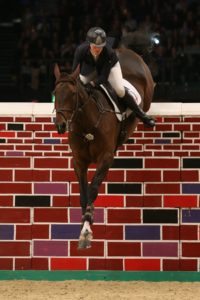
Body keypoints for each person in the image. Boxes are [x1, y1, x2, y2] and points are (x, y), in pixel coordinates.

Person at [72, 27, 155, 127]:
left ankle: (142, 115)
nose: (97, 49)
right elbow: (75, 72)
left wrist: (93, 83)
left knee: (119, 90)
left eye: (100, 46)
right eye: (94, 46)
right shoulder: (80, 50)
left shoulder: (109, 53)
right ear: (89, 44)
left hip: (110, 68)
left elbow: (103, 77)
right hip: (91, 69)